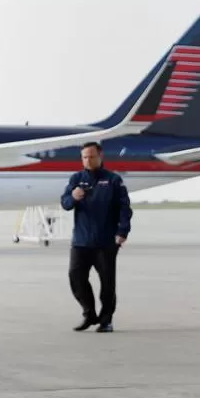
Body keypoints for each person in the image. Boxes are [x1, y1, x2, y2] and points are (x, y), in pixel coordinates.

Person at [60, 141, 132, 333]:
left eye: (92, 156)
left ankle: (106, 321)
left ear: (100, 157)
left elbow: (124, 208)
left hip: (106, 241)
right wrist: (73, 197)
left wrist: (122, 232)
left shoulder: (113, 180)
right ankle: (89, 314)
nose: (88, 160)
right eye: (85, 157)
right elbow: (65, 204)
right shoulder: (76, 178)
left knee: (107, 284)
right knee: (75, 277)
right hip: (81, 241)